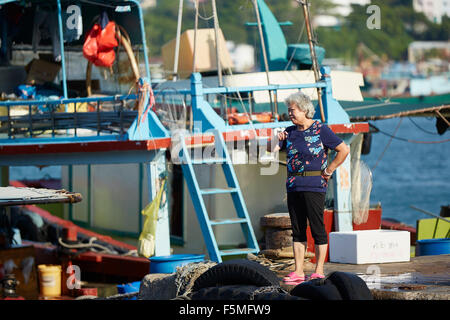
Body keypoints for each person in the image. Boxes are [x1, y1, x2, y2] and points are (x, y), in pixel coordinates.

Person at [268, 92, 350, 285]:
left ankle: (319, 270)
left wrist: (330, 169)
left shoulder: (320, 129)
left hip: (314, 186)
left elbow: (343, 149)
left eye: (292, 110)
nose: (290, 113)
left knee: (317, 227)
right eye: (288, 110)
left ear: (304, 110)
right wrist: (275, 139)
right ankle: (298, 271)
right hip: (294, 186)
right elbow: (269, 151)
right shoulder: (289, 132)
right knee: (297, 230)